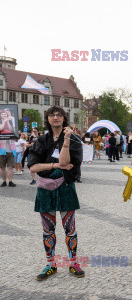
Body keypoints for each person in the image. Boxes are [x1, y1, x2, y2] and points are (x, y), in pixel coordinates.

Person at [28, 106, 85, 280]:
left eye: (59, 114)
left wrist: (66, 139)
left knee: (70, 228)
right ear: (48, 119)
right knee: (47, 229)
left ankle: (73, 263)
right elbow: (33, 167)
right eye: (52, 115)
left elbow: (66, 161)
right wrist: (54, 166)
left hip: (65, 186)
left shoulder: (74, 140)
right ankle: (51, 265)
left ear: (64, 118)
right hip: (45, 189)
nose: (55, 117)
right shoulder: (41, 141)